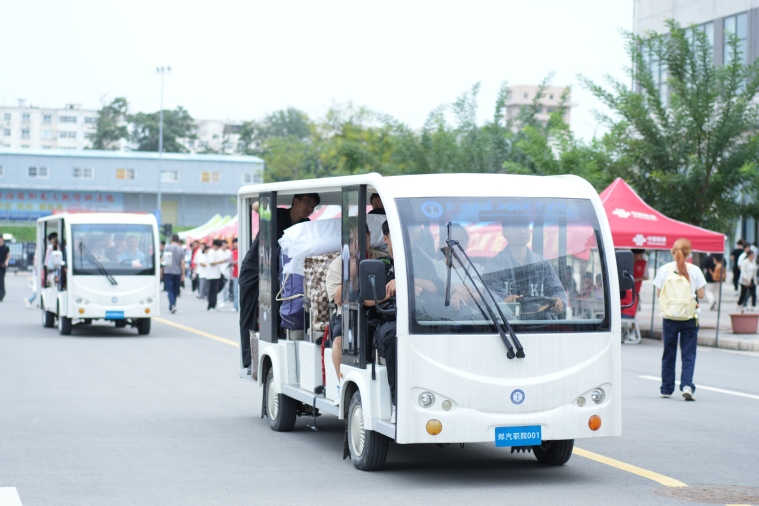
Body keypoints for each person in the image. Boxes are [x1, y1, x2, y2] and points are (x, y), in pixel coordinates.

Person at [238, 193, 321, 369]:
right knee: (248, 315)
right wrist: (265, 208)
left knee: (276, 314)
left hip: (278, 274)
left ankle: (272, 358)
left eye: (313, 206)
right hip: (255, 268)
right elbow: (255, 205)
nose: (309, 208)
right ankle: (249, 360)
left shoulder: (306, 226)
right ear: (295, 201)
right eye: (307, 203)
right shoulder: (276, 214)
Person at [325, 225, 387, 393]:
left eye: (360, 238)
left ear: (369, 236)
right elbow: (338, 300)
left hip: (377, 309)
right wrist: (352, 272)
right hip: (347, 312)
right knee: (340, 338)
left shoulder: (381, 259)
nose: (356, 244)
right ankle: (341, 384)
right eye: (351, 241)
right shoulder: (338, 265)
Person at [653, 238, 706, 401]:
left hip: (669, 317)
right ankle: (687, 386)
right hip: (689, 317)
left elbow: (659, 294)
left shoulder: (664, 269)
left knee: (669, 353)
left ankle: (666, 388)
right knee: (688, 354)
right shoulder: (695, 270)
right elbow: (701, 295)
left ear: (672, 251)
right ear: (689, 253)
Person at [483, 219, 568, 317]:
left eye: (525, 226)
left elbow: (558, 291)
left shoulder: (543, 264)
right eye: (516, 227)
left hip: (542, 324)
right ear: (504, 233)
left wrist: (559, 302)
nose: (522, 231)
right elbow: (491, 296)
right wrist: (505, 300)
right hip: (508, 323)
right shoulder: (494, 266)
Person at [162, 234, 185, 314]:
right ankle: (173, 304)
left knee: (170, 289)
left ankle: (172, 304)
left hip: (168, 271)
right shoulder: (181, 249)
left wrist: (161, 270)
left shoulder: (167, 248)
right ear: (178, 240)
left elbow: (163, 259)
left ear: (171, 239)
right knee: (175, 289)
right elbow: (182, 262)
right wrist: (183, 273)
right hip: (177, 272)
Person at [205, 239, 225, 311]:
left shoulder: (216, 252)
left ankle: (213, 305)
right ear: (214, 245)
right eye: (218, 246)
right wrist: (220, 262)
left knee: (215, 291)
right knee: (212, 291)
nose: (218, 248)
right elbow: (211, 263)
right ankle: (211, 306)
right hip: (212, 275)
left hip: (217, 274)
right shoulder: (211, 252)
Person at [229, 238, 239, 312]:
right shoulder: (233, 252)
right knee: (235, 292)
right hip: (235, 274)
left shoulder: (244, 249)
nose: (235, 244)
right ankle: (236, 306)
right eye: (234, 243)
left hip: (242, 273)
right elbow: (231, 263)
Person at [0, 235, 9, 302]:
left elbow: (8, 256)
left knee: (1, 280)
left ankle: (1, 294)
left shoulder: (6, 247)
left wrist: (6, 262)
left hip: (2, 266)